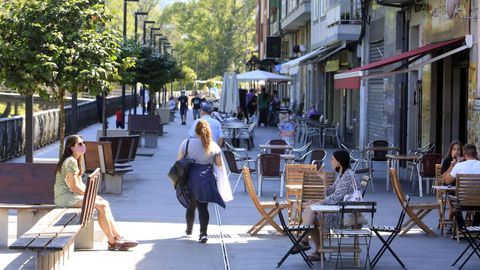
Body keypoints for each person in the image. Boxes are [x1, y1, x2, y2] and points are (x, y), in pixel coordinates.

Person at [55, 135, 138, 251]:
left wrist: (92, 195)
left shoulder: (76, 160)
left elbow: (79, 184)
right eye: (79, 144)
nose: (83, 145)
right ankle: (112, 241)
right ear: (72, 147)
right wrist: (90, 195)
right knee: (102, 205)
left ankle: (117, 237)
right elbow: (74, 186)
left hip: (71, 196)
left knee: (104, 203)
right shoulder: (70, 161)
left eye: (83, 143)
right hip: (65, 198)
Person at [295, 150, 360, 261]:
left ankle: (305, 242)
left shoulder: (348, 176)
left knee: (310, 211)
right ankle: (314, 248)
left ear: (339, 162)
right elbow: (330, 193)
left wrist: (318, 203)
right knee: (311, 214)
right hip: (340, 211)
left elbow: (334, 199)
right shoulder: (342, 175)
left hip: (346, 217)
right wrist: (324, 179)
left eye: (333, 160)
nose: (331, 162)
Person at [176, 120, 229, 243]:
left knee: (190, 206)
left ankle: (189, 230)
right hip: (206, 179)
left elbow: (178, 161)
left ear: (196, 131)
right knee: (203, 207)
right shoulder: (214, 146)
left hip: (190, 178)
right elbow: (219, 165)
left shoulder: (187, 143)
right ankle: (203, 233)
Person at [443, 143, 480, 226]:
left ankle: (462, 227)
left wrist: (453, 165)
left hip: (462, 203)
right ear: (476, 154)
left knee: (452, 197)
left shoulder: (459, 166)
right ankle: (475, 225)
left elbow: (447, 181)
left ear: (464, 154)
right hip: (478, 203)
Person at [440, 140, 463, 232]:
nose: (456, 151)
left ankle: (457, 223)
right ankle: (450, 223)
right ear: (451, 151)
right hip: (449, 187)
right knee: (452, 204)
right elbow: (444, 177)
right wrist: (452, 165)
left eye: (458, 149)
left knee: (457, 203)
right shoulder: (447, 160)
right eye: (454, 149)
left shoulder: (464, 160)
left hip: (462, 188)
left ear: (461, 151)